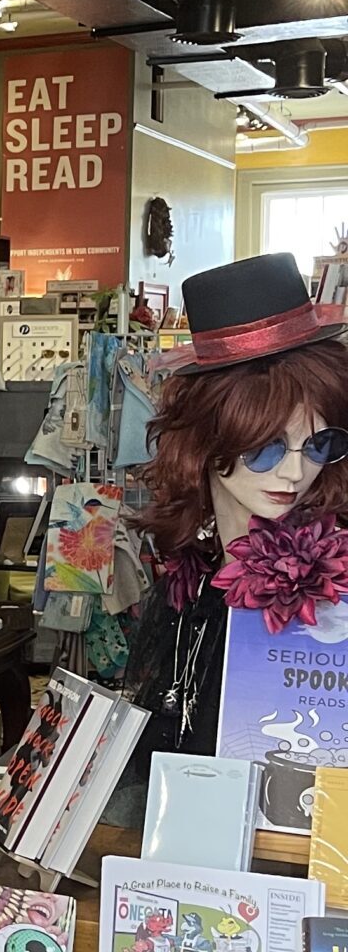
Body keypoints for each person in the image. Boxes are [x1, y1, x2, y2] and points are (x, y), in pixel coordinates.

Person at [110, 252, 348, 820]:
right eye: (263, 449)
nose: (294, 473)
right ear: (203, 445)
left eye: (319, 445)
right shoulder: (190, 578)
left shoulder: (327, 586)